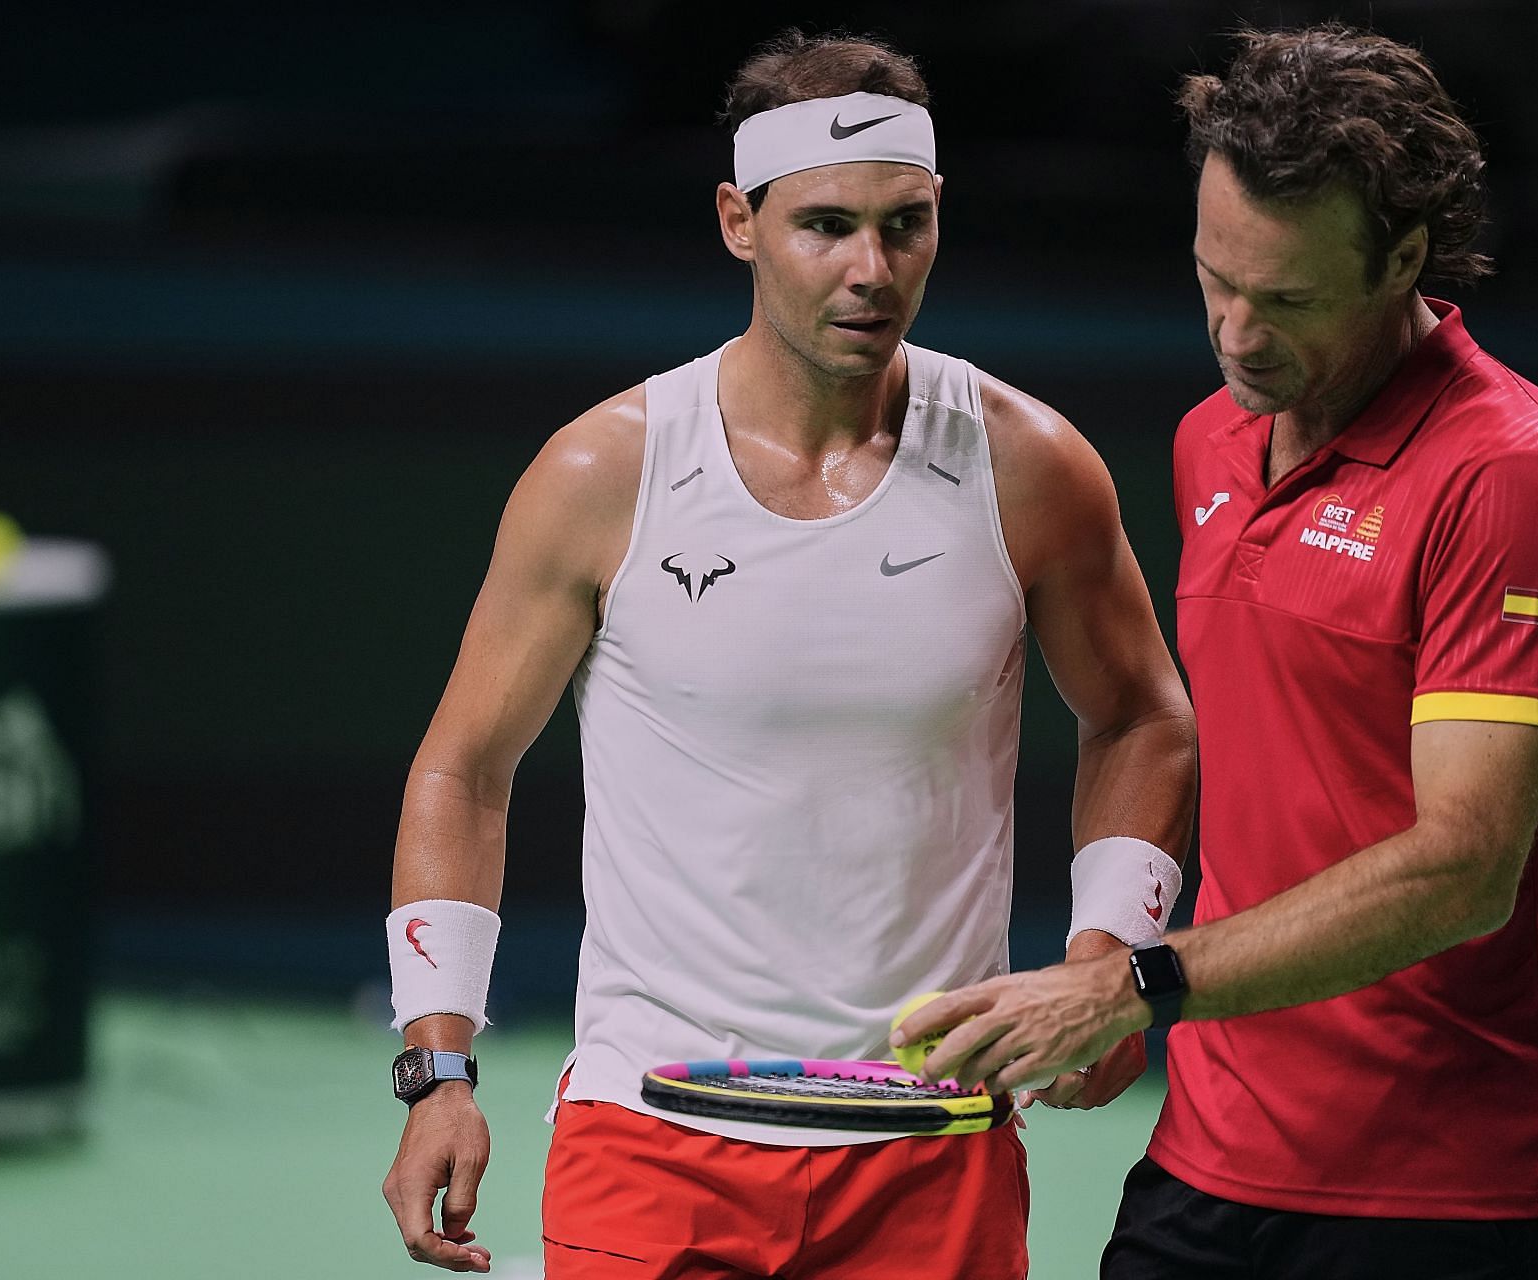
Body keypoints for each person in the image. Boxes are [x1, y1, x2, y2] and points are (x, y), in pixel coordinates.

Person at [377, 30, 1198, 1280]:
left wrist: (1102, 960)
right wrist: (438, 1068)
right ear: (737, 222)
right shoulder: (606, 470)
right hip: (651, 1137)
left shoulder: (1031, 467)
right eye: (825, 225)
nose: (872, 270)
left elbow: (1145, 715)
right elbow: (463, 769)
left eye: (904, 225)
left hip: (932, 1144)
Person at [899, 24, 1538, 1279]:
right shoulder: (1211, 447)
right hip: (1209, 1160)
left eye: (1285, 299)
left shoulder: (1509, 475)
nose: (1235, 331)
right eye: (1212, 278)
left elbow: (1463, 868)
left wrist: (1137, 984)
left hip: (1455, 1199)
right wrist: (1113, 974)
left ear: (1405, 258)